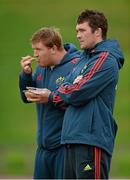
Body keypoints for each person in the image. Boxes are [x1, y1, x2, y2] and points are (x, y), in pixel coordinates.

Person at [36, 10, 124, 179]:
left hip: (91, 139)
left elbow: (77, 91)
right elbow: (65, 87)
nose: (78, 35)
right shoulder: (84, 59)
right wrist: (67, 89)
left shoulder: (105, 59)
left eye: (82, 30)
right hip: (72, 137)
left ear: (97, 32)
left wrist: (56, 94)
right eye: (77, 31)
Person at [19, 27, 80, 179]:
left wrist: (51, 97)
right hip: (43, 149)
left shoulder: (76, 66)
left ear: (53, 48)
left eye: (38, 49)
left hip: (64, 149)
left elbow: (78, 102)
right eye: (34, 49)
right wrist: (26, 76)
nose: (35, 54)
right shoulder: (41, 68)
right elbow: (26, 98)